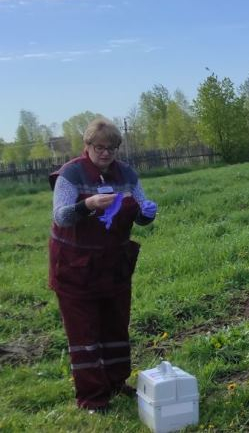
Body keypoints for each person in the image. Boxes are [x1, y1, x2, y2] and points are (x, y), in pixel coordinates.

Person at [49, 118, 158, 412]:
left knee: (115, 326)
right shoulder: (71, 174)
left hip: (113, 266)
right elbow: (60, 216)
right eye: (99, 147)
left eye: (111, 148)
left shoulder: (127, 174)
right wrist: (87, 205)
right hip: (75, 267)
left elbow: (140, 213)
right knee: (84, 332)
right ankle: (93, 398)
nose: (105, 153)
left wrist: (148, 214)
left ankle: (115, 381)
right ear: (87, 146)